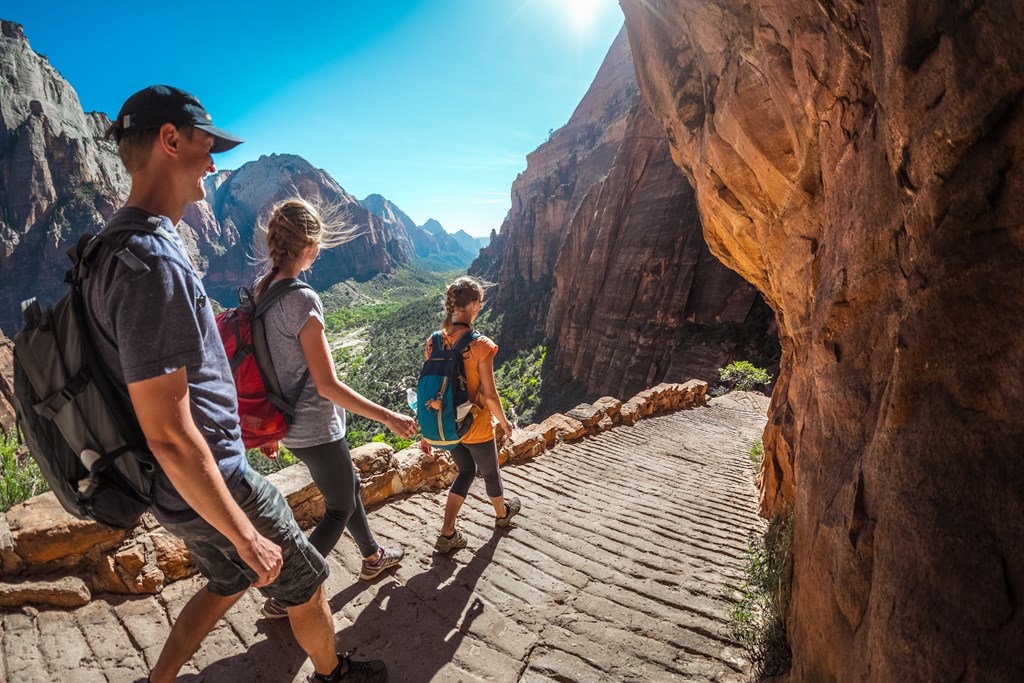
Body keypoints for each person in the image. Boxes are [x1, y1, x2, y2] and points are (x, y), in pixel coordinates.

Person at [94, 85, 385, 683]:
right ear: (170, 141)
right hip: (213, 481)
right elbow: (171, 432)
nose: (215, 162)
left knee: (228, 579)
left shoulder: (105, 248)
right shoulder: (153, 261)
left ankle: (161, 678)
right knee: (304, 580)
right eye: (208, 145)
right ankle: (336, 675)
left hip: (171, 486)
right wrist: (243, 533)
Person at [253, 197, 418, 619]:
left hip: (289, 423)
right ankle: (290, 593)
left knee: (348, 489)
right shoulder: (303, 298)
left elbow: (266, 364)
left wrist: (270, 430)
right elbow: (327, 385)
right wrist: (388, 416)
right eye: (317, 244)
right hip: (316, 426)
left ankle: (372, 555)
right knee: (338, 506)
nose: (320, 251)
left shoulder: (263, 289)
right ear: (307, 244)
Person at [420, 277, 522, 553]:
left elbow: (431, 385)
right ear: (475, 305)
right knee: (490, 473)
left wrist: (425, 430)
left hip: (447, 426)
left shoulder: (433, 341)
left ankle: (447, 532)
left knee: (466, 470)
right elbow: (489, 395)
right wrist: (504, 421)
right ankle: (502, 516)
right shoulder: (481, 346)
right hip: (474, 425)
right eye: (480, 303)